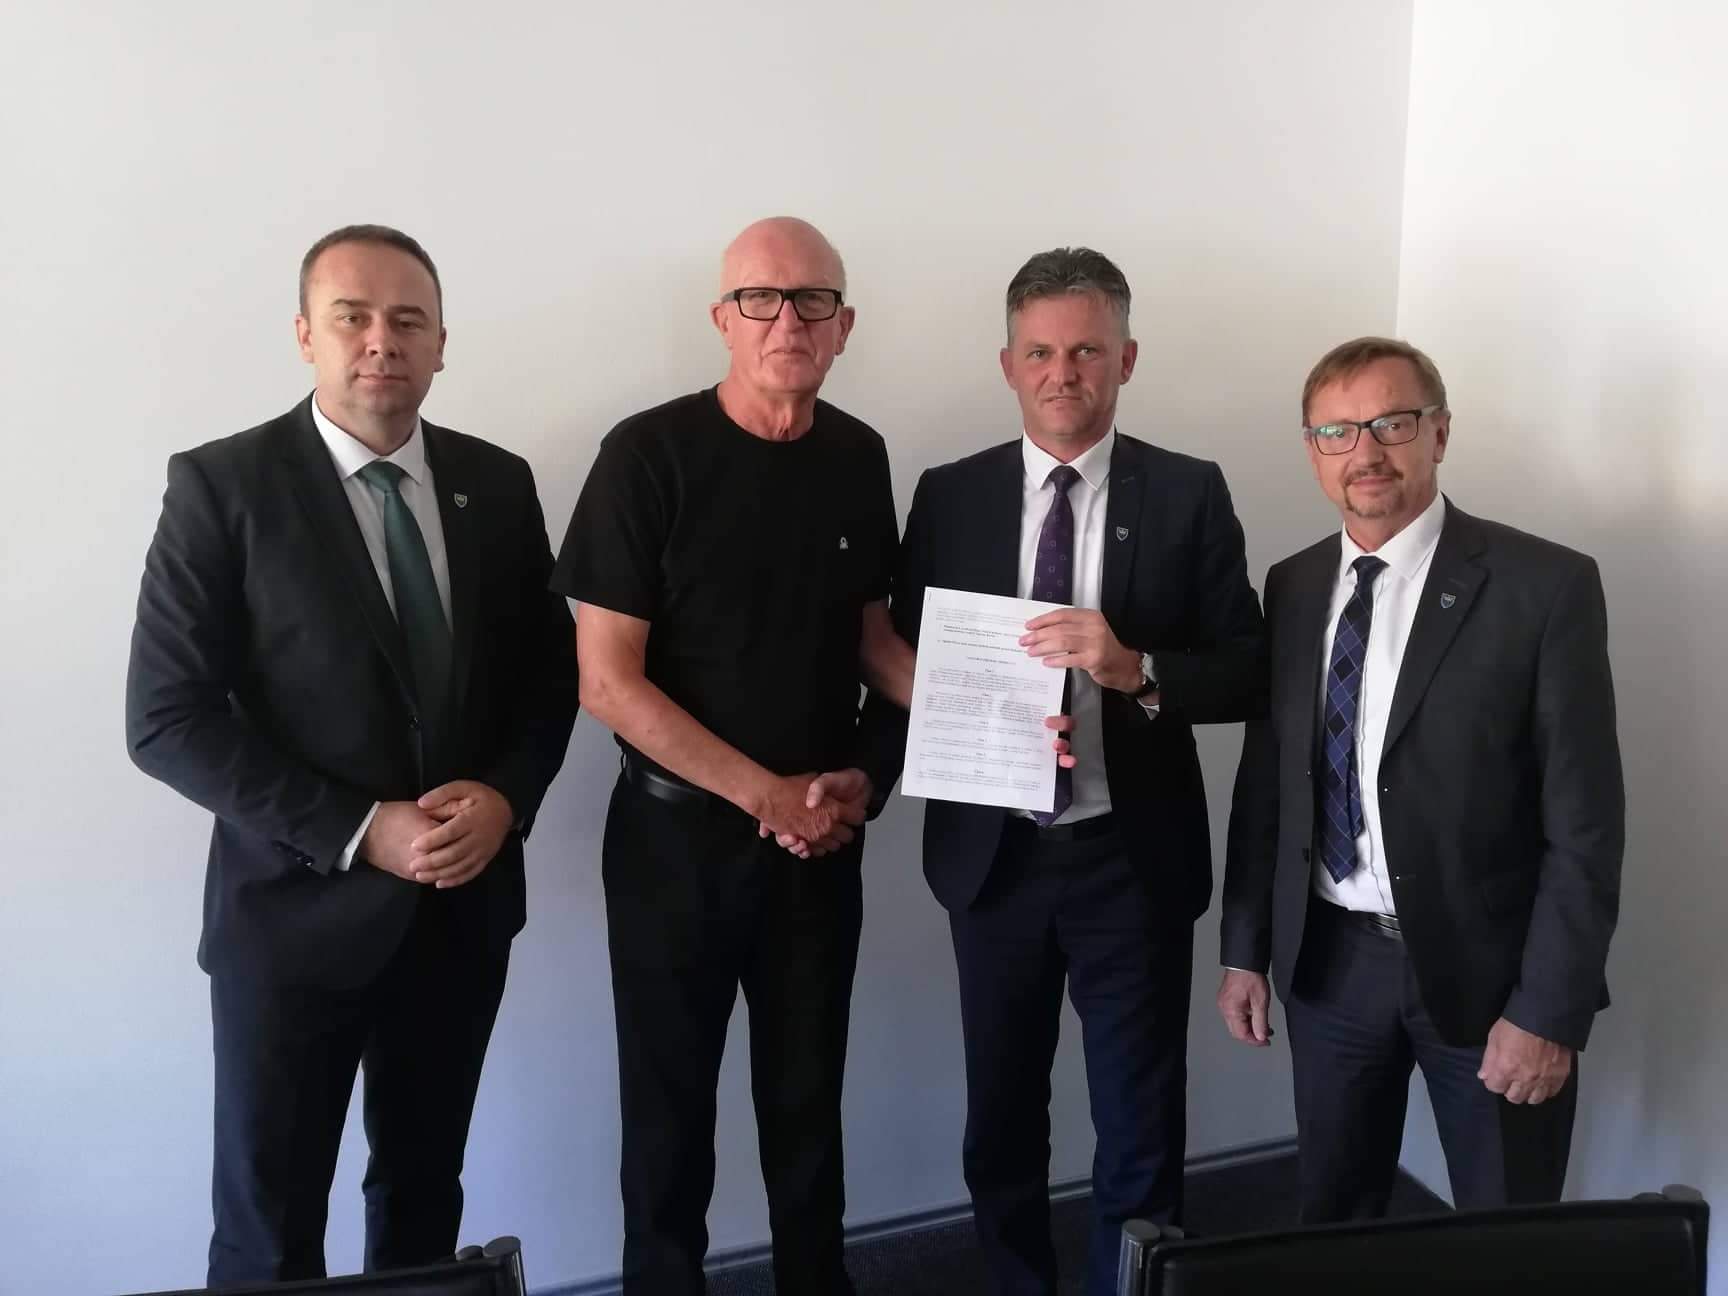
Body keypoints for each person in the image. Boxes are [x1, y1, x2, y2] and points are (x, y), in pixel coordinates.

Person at [125, 224, 579, 1283]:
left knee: (422, 1200)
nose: (383, 340)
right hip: (291, 924)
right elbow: (165, 717)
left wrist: (507, 798)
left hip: (459, 918)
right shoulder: (222, 486)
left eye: (409, 320)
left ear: (441, 344)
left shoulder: (497, 484)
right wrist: (361, 829)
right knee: (268, 1228)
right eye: (353, 317)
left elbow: (550, 679)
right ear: (305, 335)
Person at [860, 247, 1265, 1296]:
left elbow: (1246, 666)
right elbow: (907, 660)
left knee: (1141, 1119)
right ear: (1008, 365)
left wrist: (1137, 669)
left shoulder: (1188, 491)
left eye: (1086, 350)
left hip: (1130, 857)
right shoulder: (950, 495)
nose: (1063, 372)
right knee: (1000, 1116)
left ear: (1126, 358)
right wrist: (864, 778)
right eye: (1040, 352)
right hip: (992, 859)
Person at [552, 216, 908, 1296]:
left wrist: (1000, 719)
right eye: (761, 298)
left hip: (819, 843)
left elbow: (875, 642)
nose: (786, 320)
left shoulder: (859, 455)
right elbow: (606, 681)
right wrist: (765, 796)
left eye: (812, 300)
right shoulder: (645, 455)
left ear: (844, 324)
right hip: (674, 850)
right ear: (722, 318)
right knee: (668, 1123)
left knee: (808, 1111)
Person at [1217, 336, 1624, 1220]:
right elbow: (1268, 788)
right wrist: (1244, 947)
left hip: (1493, 978)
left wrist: (1547, 1010)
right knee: (1334, 1222)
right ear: (1312, 451)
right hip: (1330, 964)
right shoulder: (1292, 587)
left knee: (1505, 1234)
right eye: (1336, 431)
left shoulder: (1543, 586)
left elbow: (1586, 826)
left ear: (1439, 432)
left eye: (1391, 423)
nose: (1364, 451)